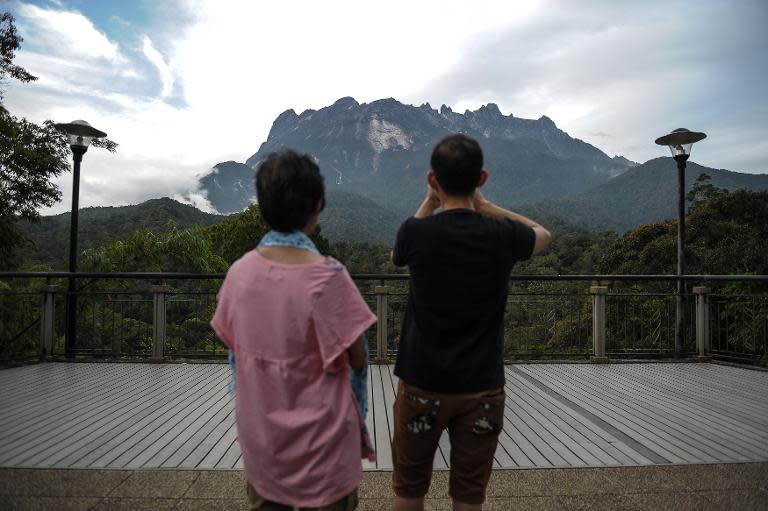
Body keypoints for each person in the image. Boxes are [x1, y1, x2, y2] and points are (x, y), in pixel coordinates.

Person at [390, 134, 551, 510]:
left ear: (433, 180)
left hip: (421, 386)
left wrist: (430, 202)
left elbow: (399, 251)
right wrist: (489, 207)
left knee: (409, 490)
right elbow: (543, 235)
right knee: (468, 495)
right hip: (482, 388)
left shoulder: (416, 233)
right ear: (482, 178)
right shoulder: (502, 236)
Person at [211, 150, 376, 510]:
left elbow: (233, 343)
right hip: (326, 452)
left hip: (264, 448)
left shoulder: (239, 274)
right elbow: (358, 353)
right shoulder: (329, 277)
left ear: (263, 205)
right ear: (318, 205)